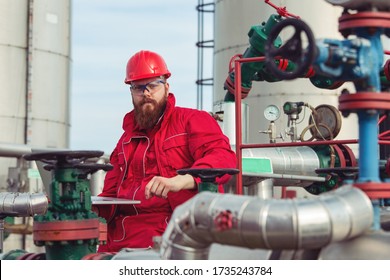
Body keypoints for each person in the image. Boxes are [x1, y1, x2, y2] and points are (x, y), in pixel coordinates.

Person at [95, 50, 237, 252]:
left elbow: (223, 158)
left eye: (153, 85)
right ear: (131, 92)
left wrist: (181, 181)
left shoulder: (192, 120)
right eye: (138, 87)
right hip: (121, 240)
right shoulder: (125, 140)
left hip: (176, 235)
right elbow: (109, 196)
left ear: (166, 87)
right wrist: (77, 208)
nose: (146, 93)